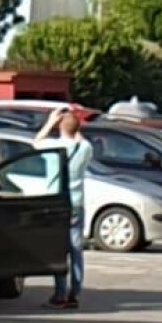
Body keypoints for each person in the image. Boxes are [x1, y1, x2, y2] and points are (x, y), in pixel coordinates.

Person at [36, 105, 93, 310]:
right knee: (76, 249)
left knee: (59, 249)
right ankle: (74, 294)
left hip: (57, 202)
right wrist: (73, 122)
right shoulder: (85, 148)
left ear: (60, 126)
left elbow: (36, 143)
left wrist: (51, 121)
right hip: (77, 203)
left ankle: (60, 294)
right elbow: (81, 139)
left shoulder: (53, 146)